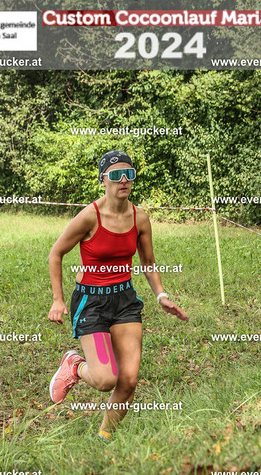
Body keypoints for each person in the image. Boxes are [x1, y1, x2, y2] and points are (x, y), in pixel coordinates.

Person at [48, 150, 189, 441]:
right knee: (105, 379)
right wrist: (58, 300)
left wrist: (161, 295)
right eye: (115, 175)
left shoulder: (140, 218)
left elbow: (148, 262)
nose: (123, 180)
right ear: (103, 180)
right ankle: (74, 365)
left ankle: (104, 439)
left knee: (128, 380)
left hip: (125, 301)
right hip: (92, 302)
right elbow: (56, 253)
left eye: (129, 174)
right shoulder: (89, 216)